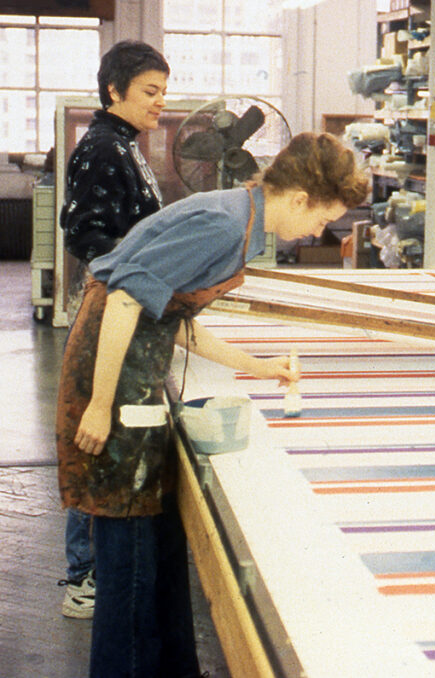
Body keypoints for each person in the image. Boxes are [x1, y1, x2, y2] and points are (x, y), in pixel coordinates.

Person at [55, 132, 370, 678]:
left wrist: (261, 366)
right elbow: (126, 297)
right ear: (299, 199)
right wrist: (101, 406)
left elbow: (173, 319)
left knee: (151, 532)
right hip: (112, 370)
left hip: (134, 365)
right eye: (322, 220)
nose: (318, 232)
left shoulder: (237, 219)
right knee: (128, 547)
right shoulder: (225, 225)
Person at [57, 39, 170, 620]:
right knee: (94, 432)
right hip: (112, 309)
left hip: (131, 304)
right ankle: (85, 576)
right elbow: (84, 235)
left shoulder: (124, 144)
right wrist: (144, 270)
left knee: (105, 433)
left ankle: (95, 567)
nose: (160, 104)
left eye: (163, 93)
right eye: (150, 93)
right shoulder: (102, 147)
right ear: (114, 91)